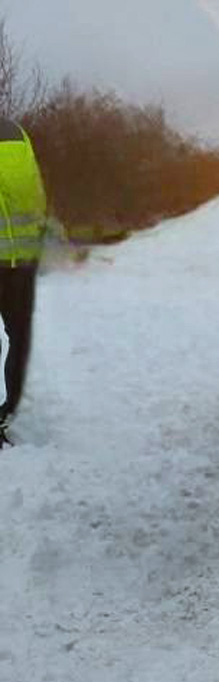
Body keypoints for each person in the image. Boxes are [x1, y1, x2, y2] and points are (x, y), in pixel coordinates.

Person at [0, 118, 47, 445]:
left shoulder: (16, 132)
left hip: (20, 261)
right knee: (20, 336)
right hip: (22, 261)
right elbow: (36, 193)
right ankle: (9, 411)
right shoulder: (17, 132)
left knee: (19, 337)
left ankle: (8, 413)